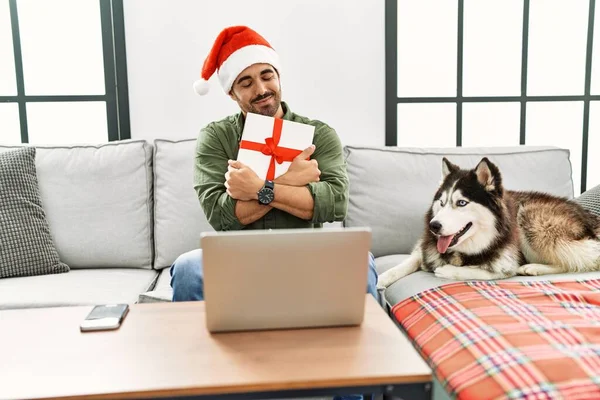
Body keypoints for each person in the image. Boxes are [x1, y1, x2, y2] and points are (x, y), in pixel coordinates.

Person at [173, 25, 373, 400]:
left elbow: (333, 202)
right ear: (232, 93)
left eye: (267, 75)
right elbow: (221, 214)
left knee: (365, 263)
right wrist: (293, 179)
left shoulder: (319, 133)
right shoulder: (216, 139)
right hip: (240, 257)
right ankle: (201, 387)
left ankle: (355, 389)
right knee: (186, 268)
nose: (261, 88)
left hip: (309, 254)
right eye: (246, 82)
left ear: (278, 77)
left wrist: (259, 188)